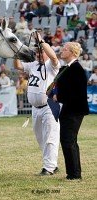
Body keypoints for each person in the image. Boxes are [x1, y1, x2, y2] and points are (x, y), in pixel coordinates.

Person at [13, 32, 60, 175]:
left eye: (41, 53)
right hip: (36, 108)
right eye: (37, 53)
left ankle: (49, 168)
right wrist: (16, 52)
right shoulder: (33, 65)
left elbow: (53, 56)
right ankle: (52, 164)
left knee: (50, 137)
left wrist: (41, 41)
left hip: (49, 106)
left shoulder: (52, 65)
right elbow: (18, 66)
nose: (39, 55)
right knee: (40, 138)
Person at [55, 42, 89, 180]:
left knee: (68, 141)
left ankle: (74, 174)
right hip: (70, 110)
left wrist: (59, 96)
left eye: (65, 49)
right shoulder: (68, 68)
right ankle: (73, 173)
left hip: (74, 111)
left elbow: (76, 93)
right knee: (69, 141)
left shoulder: (77, 69)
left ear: (73, 53)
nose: (62, 51)